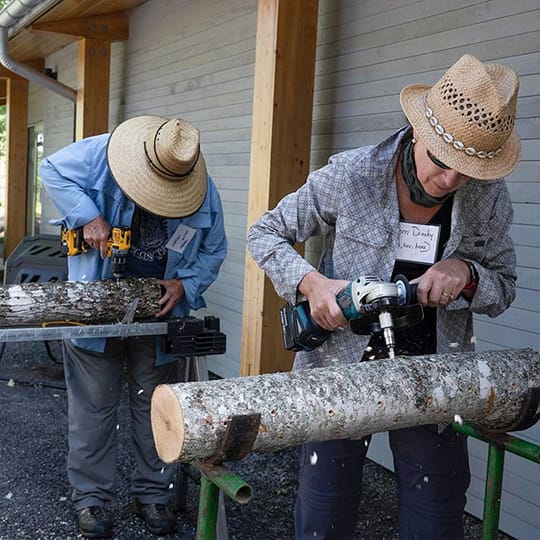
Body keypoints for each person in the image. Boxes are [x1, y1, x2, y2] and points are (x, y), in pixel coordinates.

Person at [247, 53, 519, 539]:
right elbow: (264, 234)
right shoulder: (352, 174)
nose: (452, 181)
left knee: (437, 509)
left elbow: (504, 286)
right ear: (419, 133)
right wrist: (314, 285)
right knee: (325, 508)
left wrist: (469, 274)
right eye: (441, 161)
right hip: (340, 366)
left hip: (433, 370)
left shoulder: (490, 198)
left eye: (468, 169)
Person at [39, 116, 227, 538]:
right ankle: (92, 501)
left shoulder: (200, 186)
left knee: (155, 407)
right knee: (93, 408)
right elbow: (49, 168)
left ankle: (154, 494)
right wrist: (87, 215)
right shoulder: (102, 154)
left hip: (159, 314)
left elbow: (215, 248)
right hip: (97, 306)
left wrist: (185, 284)